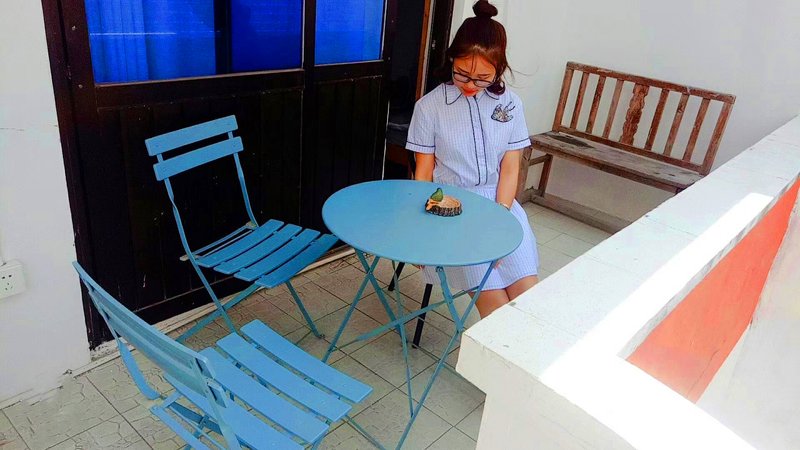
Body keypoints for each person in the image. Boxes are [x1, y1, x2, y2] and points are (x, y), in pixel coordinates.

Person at [406, 0, 538, 318]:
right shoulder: (429, 107)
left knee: (530, 299)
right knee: (496, 308)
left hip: (501, 206)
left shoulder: (511, 105)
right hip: (453, 210)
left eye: (482, 78)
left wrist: (500, 218)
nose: (470, 85)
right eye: (462, 74)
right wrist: (420, 230)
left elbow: (510, 167)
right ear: (452, 59)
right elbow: (423, 173)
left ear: (499, 69)